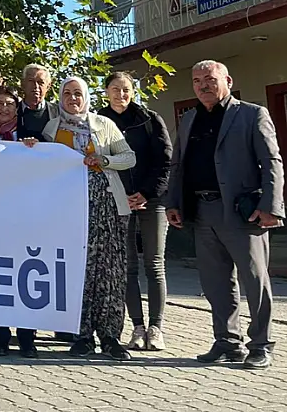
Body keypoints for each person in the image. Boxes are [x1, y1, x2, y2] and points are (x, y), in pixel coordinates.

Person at [167, 60, 284, 370]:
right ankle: (227, 341)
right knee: (216, 282)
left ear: (227, 80)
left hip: (242, 212)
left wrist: (271, 207)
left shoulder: (252, 114)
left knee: (254, 280)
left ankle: (260, 344)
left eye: (209, 78)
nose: (203, 85)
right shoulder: (190, 119)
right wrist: (173, 203)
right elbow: (178, 165)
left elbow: (272, 162)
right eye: (196, 81)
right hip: (201, 211)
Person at [33, 77, 136, 361]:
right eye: (67, 93)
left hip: (107, 208)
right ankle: (81, 335)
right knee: (78, 271)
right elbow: (40, 164)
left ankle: (111, 336)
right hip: (68, 211)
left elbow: (129, 157)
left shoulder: (104, 125)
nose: (73, 98)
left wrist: (105, 161)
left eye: (78, 93)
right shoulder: (52, 128)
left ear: (87, 96)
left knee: (110, 272)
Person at [98, 72, 173, 352]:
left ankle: (156, 328)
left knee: (154, 264)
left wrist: (146, 193)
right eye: (115, 89)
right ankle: (137, 327)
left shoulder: (149, 119)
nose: (121, 94)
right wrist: (124, 195)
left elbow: (165, 160)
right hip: (118, 200)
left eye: (126, 89)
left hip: (151, 200)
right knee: (127, 268)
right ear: (106, 92)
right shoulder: (98, 122)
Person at [0, 87, 39, 357]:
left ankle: (27, 339)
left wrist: (38, 152)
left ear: (17, 108)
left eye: (10, 103)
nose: (4, 108)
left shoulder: (32, 138)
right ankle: (0, 338)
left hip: (25, 219)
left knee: (25, 277)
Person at [18, 64, 58, 140]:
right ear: (22, 84)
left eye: (40, 82)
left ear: (48, 86)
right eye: (31, 81)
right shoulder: (12, 110)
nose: (35, 86)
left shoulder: (58, 112)